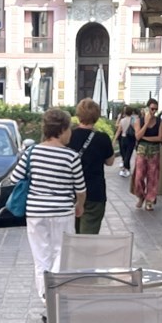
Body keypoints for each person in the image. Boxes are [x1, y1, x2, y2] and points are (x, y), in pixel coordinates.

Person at [7, 105, 85, 301]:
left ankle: (46, 296)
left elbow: (14, 178)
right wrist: (80, 205)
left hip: (36, 212)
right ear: (61, 130)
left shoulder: (31, 153)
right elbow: (80, 188)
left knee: (41, 256)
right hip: (62, 212)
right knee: (62, 253)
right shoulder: (71, 156)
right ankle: (58, 292)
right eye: (69, 129)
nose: (70, 134)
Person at [70, 98, 115, 235]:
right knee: (88, 238)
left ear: (78, 115)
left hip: (71, 192)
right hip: (95, 193)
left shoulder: (69, 136)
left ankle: (72, 257)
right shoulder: (102, 138)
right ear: (97, 117)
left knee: (70, 235)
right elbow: (110, 162)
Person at [132, 98, 162, 210]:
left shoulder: (159, 122)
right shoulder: (138, 121)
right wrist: (146, 124)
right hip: (141, 151)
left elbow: (159, 137)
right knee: (139, 176)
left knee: (153, 176)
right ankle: (141, 196)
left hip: (154, 151)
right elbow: (137, 136)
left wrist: (145, 138)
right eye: (152, 109)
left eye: (156, 109)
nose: (154, 111)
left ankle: (150, 200)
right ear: (147, 108)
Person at [114, 105, 137, 177]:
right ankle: (126, 169)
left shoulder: (122, 120)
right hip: (131, 139)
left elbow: (118, 131)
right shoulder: (134, 120)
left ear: (125, 112)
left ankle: (126, 169)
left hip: (123, 138)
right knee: (128, 154)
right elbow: (136, 130)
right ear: (132, 112)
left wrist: (114, 140)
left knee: (124, 155)